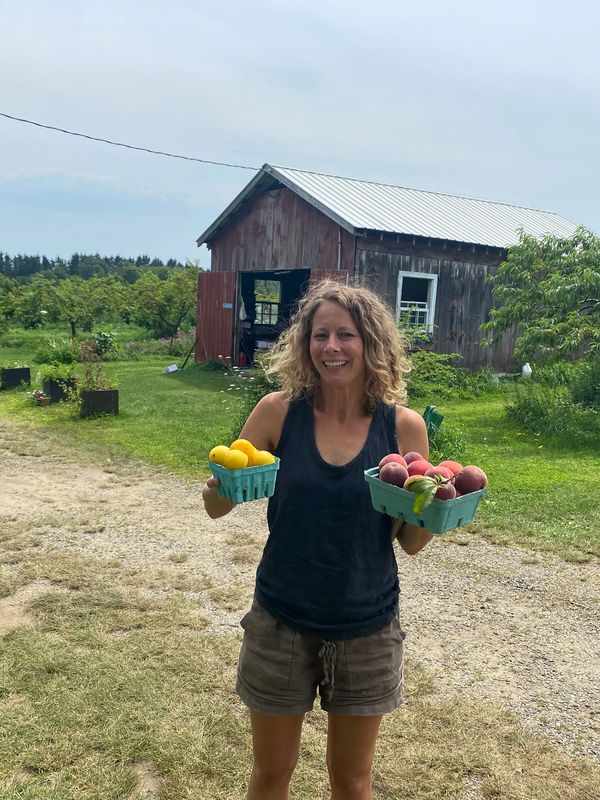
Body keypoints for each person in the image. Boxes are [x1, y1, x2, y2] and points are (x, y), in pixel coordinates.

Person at [203, 279, 434, 800]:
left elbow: (412, 543)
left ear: (371, 343)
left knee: (352, 781)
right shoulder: (277, 412)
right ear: (304, 344)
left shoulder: (404, 428)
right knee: (271, 774)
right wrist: (221, 487)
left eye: (346, 335)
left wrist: (433, 511)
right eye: (320, 334)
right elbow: (216, 507)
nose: (331, 347)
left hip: (367, 624)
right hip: (280, 618)